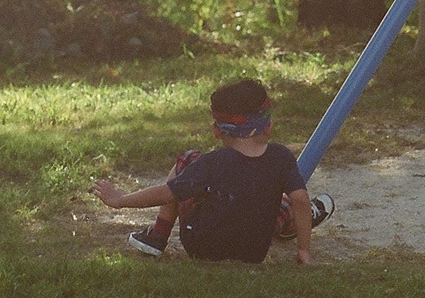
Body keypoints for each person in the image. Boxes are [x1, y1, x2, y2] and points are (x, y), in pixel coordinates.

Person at [92, 77, 332, 263]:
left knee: (187, 159)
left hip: (202, 247)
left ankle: (157, 236)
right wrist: (304, 251)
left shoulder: (211, 163)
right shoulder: (281, 157)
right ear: (267, 126)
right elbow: (300, 198)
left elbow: (166, 193)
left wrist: (120, 200)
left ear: (218, 130)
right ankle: (296, 225)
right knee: (284, 204)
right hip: (253, 252)